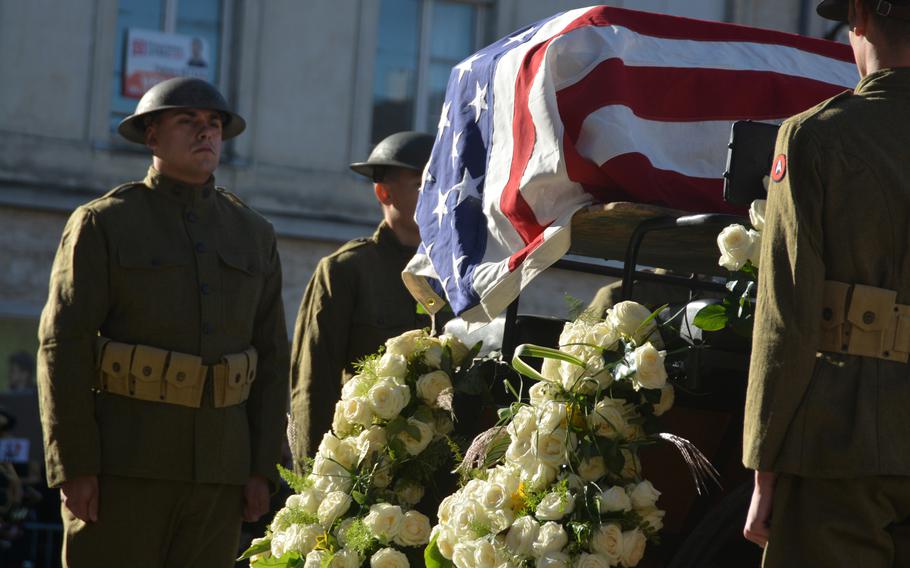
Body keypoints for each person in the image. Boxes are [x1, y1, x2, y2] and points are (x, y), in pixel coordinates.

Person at [37, 77, 289, 567]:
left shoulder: (254, 233)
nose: (206, 134)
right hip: (123, 468)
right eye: (187, 122)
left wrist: (262, 468)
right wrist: (74, 465)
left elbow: (273, 355)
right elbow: (62, 346)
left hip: (219, 473)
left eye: (214, 124)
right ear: (151, 137)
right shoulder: (104, 222)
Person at [742, 1, 910, 565]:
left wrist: (766, 466)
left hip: (843, 443)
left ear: (858, 16)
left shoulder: (817, 137)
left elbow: (786, 318)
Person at [289, 131, 436, 465]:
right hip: (363, 465)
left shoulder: (456, 275)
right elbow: (313, 384)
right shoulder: (346, 269)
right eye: (420, 184)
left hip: (437, 471)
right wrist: (314, 476)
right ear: (384, 192)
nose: (435, 195)